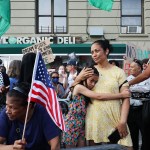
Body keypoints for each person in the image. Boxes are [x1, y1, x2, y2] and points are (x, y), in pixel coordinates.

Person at [75, 40, 132, 149]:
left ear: (106, 51)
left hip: (116, 119)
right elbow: (74, 90)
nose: (94, 54)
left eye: (97, 51)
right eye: (92, 52)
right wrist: (78, 78)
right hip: (95, 120)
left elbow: (126, 97)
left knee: (126, 147)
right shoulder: (88, 71)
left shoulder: (118, 72)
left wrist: (123, 121)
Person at [62, 66, 130, 148]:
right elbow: (98, 96)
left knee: (82, 148)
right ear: (84, 78)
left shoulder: (84, 88)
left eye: (95, 82)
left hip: (82, 124)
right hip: (72, 123)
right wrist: (121, 95)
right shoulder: (79, 87)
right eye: (91, 81)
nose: (93, 84)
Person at [0, 82, 61, 150]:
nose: (7, 111)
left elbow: (55, 145)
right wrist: (12, 148)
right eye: (6, 105)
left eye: (12, 107)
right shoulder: (5, 114)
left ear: (28, 107)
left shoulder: (44, 112)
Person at [129, 59, 150, 150]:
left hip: (143, 109)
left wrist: (132, 87)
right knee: (132, 135)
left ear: (139, 68)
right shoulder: (127, 78)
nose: (130, 69)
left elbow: (147, 89)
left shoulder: (147, 77)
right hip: (130, 110)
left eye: (132, 67)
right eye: (130, 67)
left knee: (145, 134)